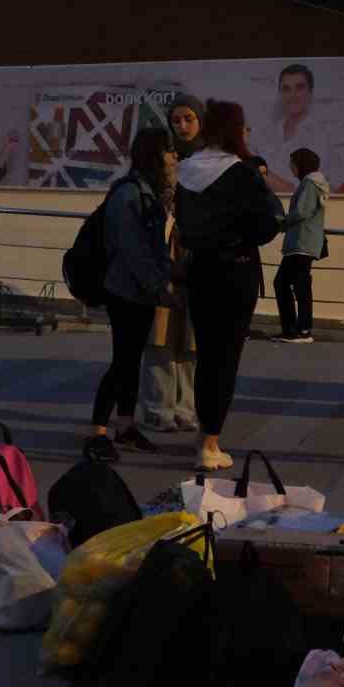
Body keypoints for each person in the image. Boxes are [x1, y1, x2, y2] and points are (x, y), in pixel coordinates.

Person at [175, 100, 280, 470]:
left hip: (200, 270)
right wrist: (238, 237)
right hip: (237, 270)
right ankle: (210, 442)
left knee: (206, 355)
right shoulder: (243, 172)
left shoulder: (185, 170)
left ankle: (205, 433)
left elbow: (183, 226)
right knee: (226, 357)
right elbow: (270, 223)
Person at [85, 128, 177, 462]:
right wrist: (160, 288)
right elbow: (134, 250)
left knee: (131, 360)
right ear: (154, 154)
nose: (174, 156)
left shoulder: (149, 190)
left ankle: (125, 426)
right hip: (125, 292)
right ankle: (98, 432)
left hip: (139, 292)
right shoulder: (129, 194)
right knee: (122, 361)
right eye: (169, 151)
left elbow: (153, 246)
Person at [138, 93, 202, 433]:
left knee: (191, 338)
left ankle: (186, 408)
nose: (181, 126)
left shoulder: (210, 160)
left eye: (188, 118)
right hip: (162, 260)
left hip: (194, 263)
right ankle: (157, 408)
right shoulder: (156, 158)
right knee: (160, 335)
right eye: (176, 119)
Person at [272, 148, 329, 344]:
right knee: (298, 285)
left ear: (301, 164)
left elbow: (301, 212)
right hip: (304, 243)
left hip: (301, 243)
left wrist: (281, 221)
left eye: (293, 163)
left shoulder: (309, 184)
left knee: (285, 284)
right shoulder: (314, 183)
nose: (290, 167)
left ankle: (299, 330)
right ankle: (295, 329)